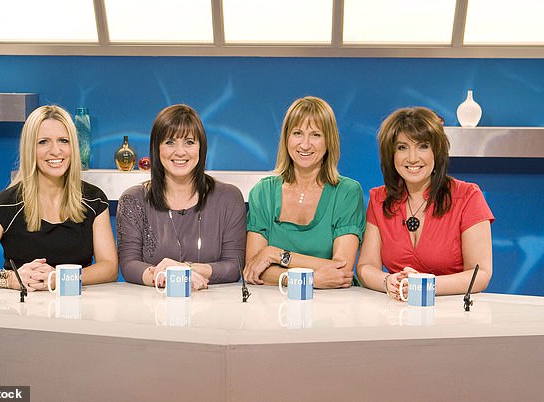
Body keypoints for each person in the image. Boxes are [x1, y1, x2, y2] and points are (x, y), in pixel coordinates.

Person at [0, 105, 118, 291]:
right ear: (30, 148)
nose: (56, 151)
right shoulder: (6, 204)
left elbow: (109, 268)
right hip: (21, 311)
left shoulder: (94, 200)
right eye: (43, 142)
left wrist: (59, 279)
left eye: (63, 140)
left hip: (77, 309)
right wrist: (12, 279)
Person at [356, 107, 494, 299]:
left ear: (436, 152)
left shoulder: (468, 197)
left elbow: (480, 274)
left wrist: (424, 285)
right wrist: (388, 281)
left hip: (452, 314)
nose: (412, 158)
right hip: (397, 312)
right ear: (391, 154)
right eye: (402, 147)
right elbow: (366, 267)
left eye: (423, 146)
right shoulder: (379, 199)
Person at [117, 104, 246, 290]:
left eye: (189, 142)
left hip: (214, 310)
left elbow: (235, 266)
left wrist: (185, 269)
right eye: (170, 142)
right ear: (157, 148)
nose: (180, 152)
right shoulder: (133, 200)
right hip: (153, 309)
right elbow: (129, 265)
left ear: (201, 147)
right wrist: (166, 277)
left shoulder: (229, 198)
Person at [244, 96, 366, 288]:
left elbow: (341, 271)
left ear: (329, 141)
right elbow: (253, 270)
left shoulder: (347, 192)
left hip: (336, 307)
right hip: (275, 307)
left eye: (316, 135)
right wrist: (309, 280)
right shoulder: (263, 192)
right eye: (297, 133)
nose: (305, 144)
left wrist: (275, 254)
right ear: (286, 138)